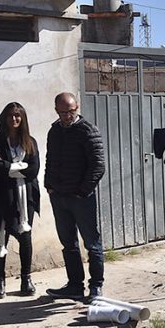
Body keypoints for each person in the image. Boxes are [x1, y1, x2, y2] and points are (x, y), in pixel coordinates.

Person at [44, 92, 106, 301]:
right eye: (63, 112)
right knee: (68, 244)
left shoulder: (87, 130)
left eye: (71, 111)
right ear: (56, 111)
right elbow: (50, 159)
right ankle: (74, 285)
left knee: (92, 243)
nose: (67, 116)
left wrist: (82, 191)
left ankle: (96, 286)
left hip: (81, 198)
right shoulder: (54, 131)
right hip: (59, 197)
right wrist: (49, 185)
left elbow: (98, 166)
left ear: (77, 107)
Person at [0, 102, 40, 297]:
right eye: (10, 116)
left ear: (22, 119)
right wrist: (17, 168)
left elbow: (34, 170)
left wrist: (9, 167)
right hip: (0, 196)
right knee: (0, 236)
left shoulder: (30, 142)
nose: (14, 119)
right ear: (4, 118)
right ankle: (0, 282)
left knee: (25, 238)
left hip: (26, 198)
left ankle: (26, 279)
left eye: (18, 116)